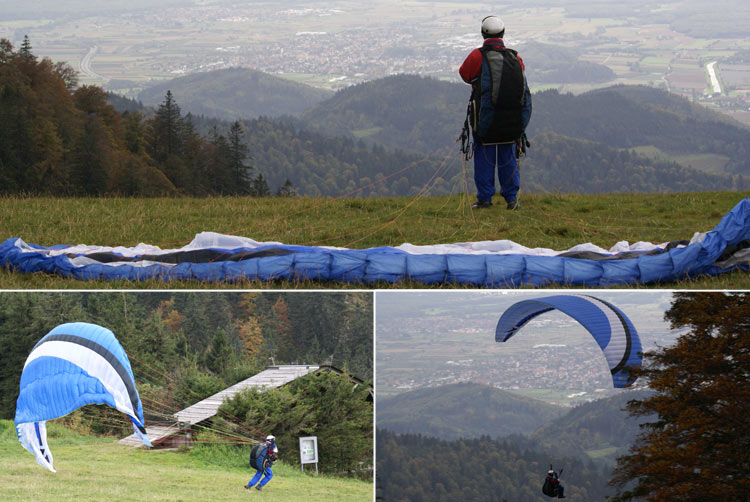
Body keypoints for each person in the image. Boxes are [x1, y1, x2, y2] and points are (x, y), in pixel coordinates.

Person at [459, 15, 532, 210]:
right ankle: (511, 199)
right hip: (511, 120)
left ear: (483, 33)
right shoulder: (515, 57)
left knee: (484, 157)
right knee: (508, 156)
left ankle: (485, 199)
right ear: (503, 33)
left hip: (485, 119)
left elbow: (465, 74)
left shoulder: (477, 56)